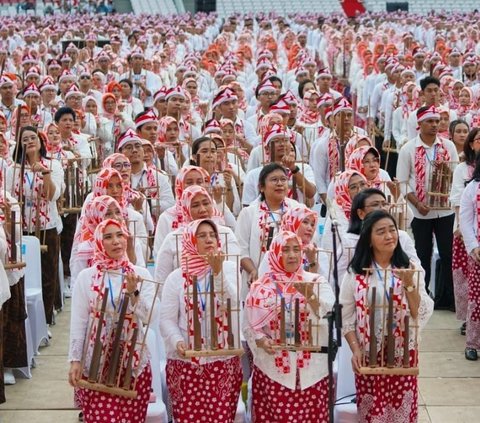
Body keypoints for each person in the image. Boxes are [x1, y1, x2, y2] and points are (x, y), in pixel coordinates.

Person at [340, 210, 433, 422]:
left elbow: (419, 311)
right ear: (369, 239)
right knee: (373, 411)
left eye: (392, 230)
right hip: (369, 353)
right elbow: (346, 315)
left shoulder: (409, 267)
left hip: (402, 353)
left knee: (401, 407)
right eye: (381, 232)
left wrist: (409, 284)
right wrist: (355, 349)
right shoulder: (356, 272)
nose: (389, 236)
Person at [68, 219, 157, 422]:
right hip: (97, 363)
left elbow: (150, 316)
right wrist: (75, 361)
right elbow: (79, 322)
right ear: (99, 242)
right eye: (108, 237)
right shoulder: (87, 277)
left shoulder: (140, 274)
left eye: (120, 235)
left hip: (132, 363)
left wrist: (133, 293)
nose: (116, 241)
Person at [244, 230, 334, 422]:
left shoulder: (316, 281)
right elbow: (249, 326)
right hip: (274, 371)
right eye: (285, 250)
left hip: (311, 373)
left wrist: (310, 296)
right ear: (275, 254)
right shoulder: (261, 287)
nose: (292, 255)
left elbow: (328, 313)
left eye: (296, 249)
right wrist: (261, 341)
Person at [159, 219, 242, 422]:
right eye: (202, 235)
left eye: (213, 235)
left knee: (221, 418)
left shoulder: (229, 268)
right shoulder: (176, 277)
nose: (209, 240)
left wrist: (217, 272)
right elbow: (166, 320)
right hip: (186, 363)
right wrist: (178, 341)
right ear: (189, 241)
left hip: (222, 360)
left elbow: (231, 303)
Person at [397, 105, 458, 308]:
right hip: (420, 212)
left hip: (446, 210)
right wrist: (416, 203)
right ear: (419, 124)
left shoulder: (448, 147)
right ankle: (423, 299)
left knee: (448, 253)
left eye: (437, 121)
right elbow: (403, 182)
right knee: (422, 254)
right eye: (429, 121)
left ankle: (449, 298)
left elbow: (455, 176)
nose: (434, 125)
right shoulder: (408, 149)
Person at [8, 126, 63, 325]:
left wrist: (45, 175)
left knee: (47, 274)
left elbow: (52, 196)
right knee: (25, 274)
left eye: (33, 138)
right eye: (25, 139)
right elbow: (8, 197)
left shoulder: (52, 164)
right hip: (20, 227)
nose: (30, 141)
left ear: (40, 141)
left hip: (46, 225)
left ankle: (46, 320)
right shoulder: (12, 169)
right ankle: (26, 320)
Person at [236, 163, 300, 297]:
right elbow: (241, 250)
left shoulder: (297, 209)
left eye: (283, 179)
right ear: (261, 187)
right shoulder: (249, 213)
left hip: (290, 277)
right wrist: (253, 270)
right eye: (274, 180)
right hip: (257, 278)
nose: (280, 184)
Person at [451, 127, 480, 336]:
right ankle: (469, 323)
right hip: (467, 234)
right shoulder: (463, 169)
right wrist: (464, 229)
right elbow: (458, 200)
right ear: (471, 143)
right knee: (467, 282)